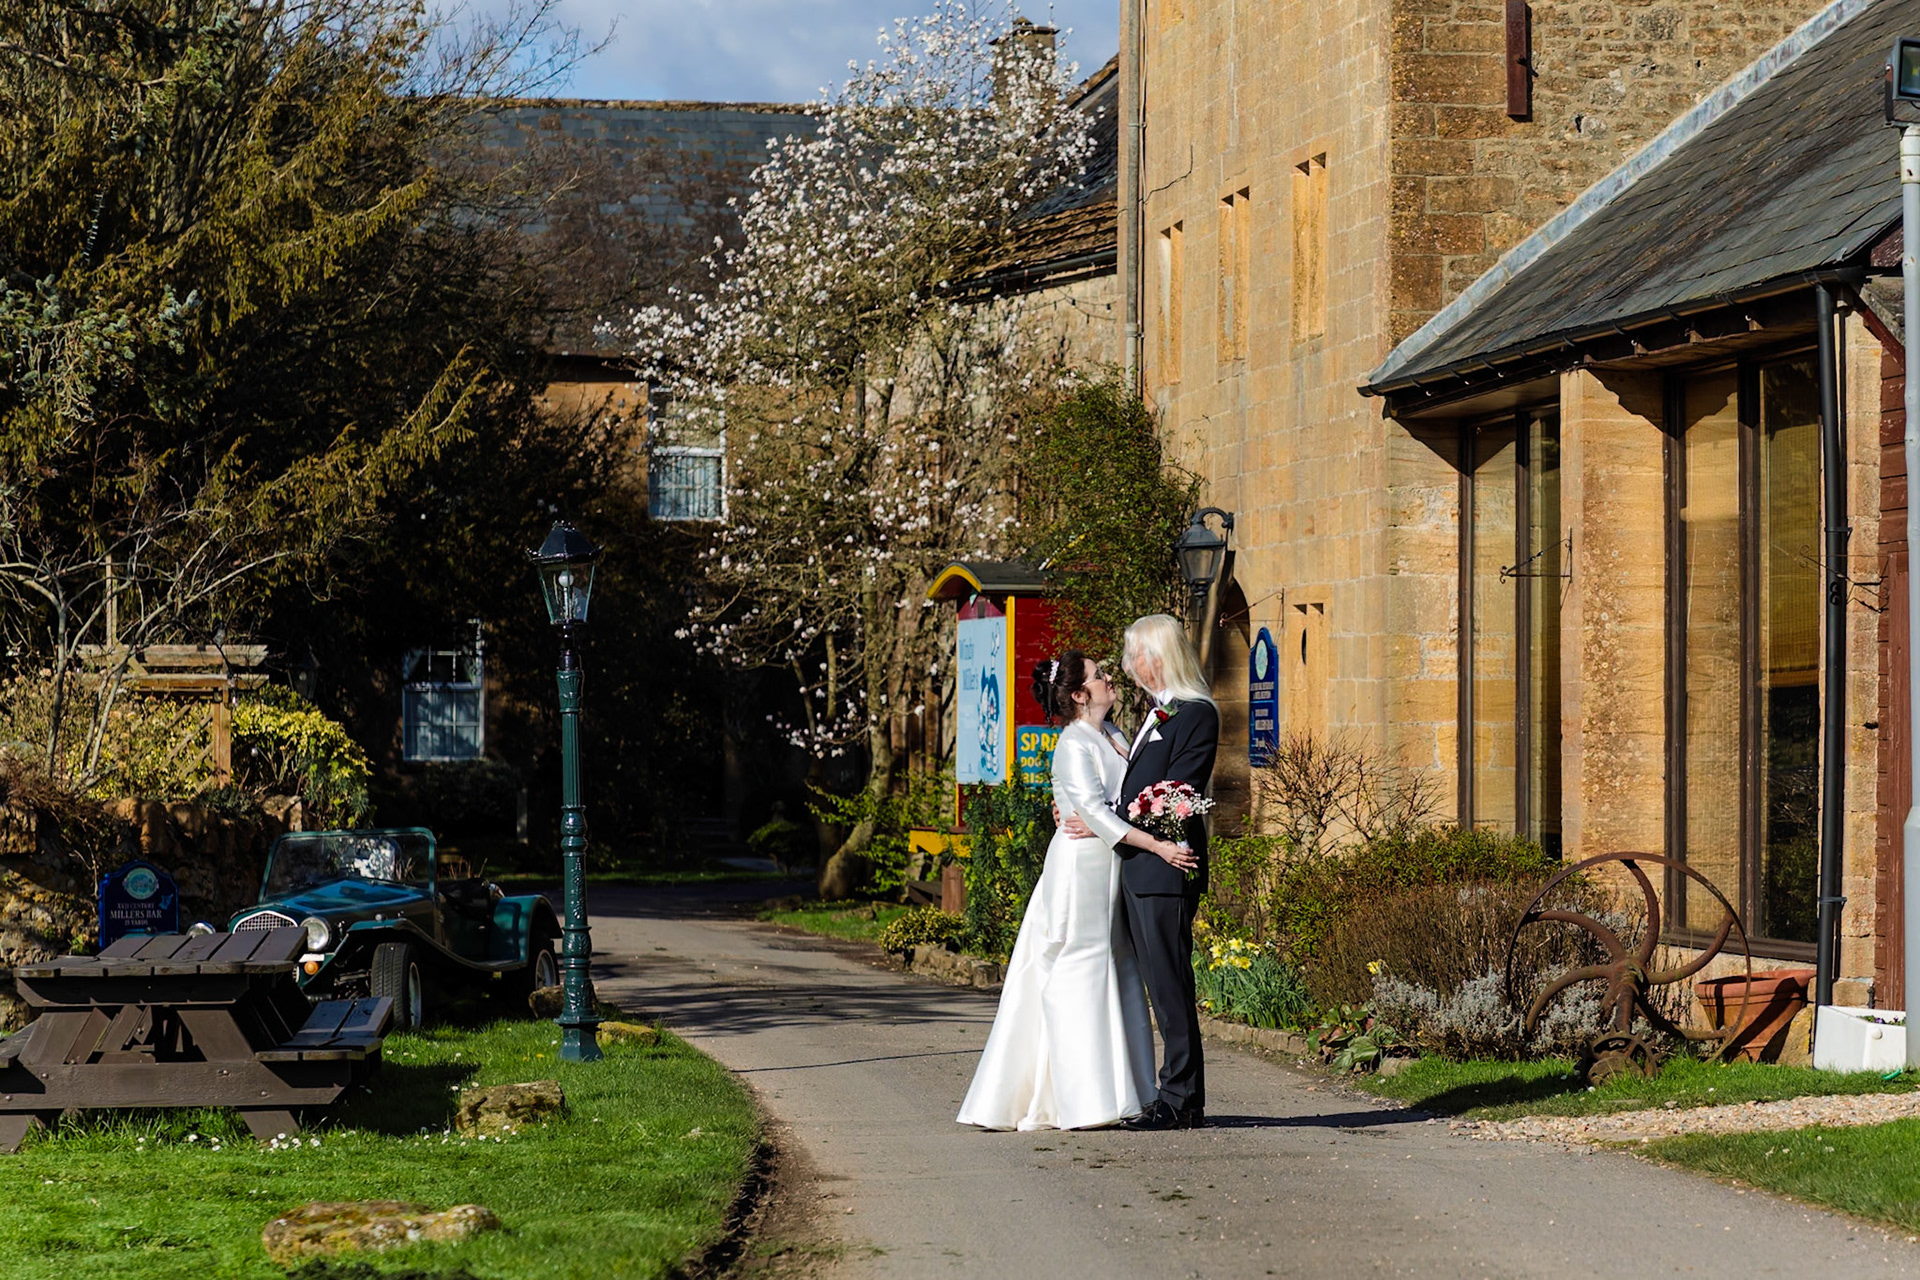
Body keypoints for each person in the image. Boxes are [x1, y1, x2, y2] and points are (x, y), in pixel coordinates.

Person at [955, 651, 1191, 1130]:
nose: (1109, 678)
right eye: (1099, 675)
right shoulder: (1072, 742)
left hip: (1113, 864)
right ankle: (1081, 1100)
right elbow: (1094, 810)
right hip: (1082, 869)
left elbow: (1118, 803)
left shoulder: (1116, 735)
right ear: (1080, 695)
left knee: (1119, 967)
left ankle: (1128, 1093)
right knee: (1082, 966)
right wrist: (1158, 845)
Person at [1060, 614, 1218, 1130]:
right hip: (1141, 867)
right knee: (1157, 983)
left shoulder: (1195, 713)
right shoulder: (1155, 716)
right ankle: (1174, 1094)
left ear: (1157, 657)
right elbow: (1128, 789)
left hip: (1166, 865)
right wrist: (1087, 815)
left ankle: (1180, 1099)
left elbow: (1176, 794)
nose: (1127, 668)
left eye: (1134, 656)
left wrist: (1109, 821)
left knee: (1170, 984)